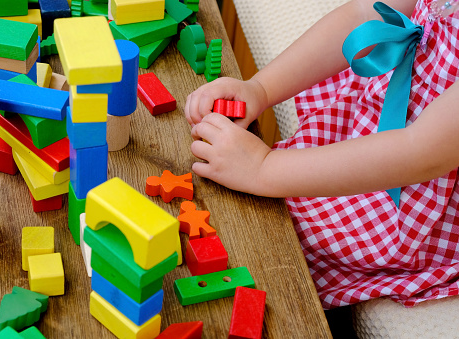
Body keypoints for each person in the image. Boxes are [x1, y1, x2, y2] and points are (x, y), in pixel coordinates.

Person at [184, 0, 459, 309]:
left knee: (265, 256)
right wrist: (259, 89)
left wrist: (264, 168)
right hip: (377, 121)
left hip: (417, 195)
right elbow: (362, 14)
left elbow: (420, 151)